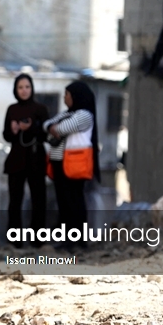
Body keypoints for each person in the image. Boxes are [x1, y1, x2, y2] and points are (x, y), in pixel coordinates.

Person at [43, 80, 99, 237]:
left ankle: (77, 239)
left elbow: (61, 128)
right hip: (59, 162)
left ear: (75, 96)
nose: (64, 98)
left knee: (74, 201)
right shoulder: (67, 114)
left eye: (67, 95)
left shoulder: (84, 115)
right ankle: (66, 236)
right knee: (63, 202)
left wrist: (54, 128)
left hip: (74, 163)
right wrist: (51, 128)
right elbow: (47, 125)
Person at [2, 73, 50, 241]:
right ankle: (15, 240)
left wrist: (30, 128)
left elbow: (46, 136)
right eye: (20, 87)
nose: (24, 91)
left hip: (36, 160)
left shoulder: (41, 109)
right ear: (16, 89)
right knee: (15, 200)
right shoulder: (12, 109)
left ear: (32, 88)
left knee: (38, 200)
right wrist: (14, 130)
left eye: (27, 87)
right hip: (17, 160)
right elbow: (6, 135)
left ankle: (38, 239)